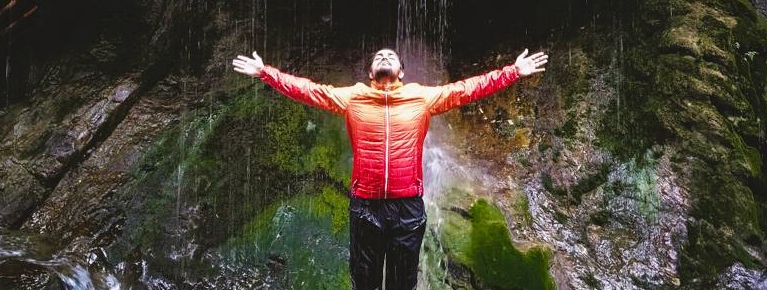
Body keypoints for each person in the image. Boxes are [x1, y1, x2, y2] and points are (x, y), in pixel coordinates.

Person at [232, 47, 548, 290]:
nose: (385, 55)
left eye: (391, 55)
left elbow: (467, 89)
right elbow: (308, 90)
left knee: (402, 284)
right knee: (364, 282)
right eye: (379, 55)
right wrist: (265, 72)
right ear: (370, 71)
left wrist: (513, 72)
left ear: (401, 71)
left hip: (407, 207)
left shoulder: (421, 97)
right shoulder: (353, 97)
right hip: (365, 206)